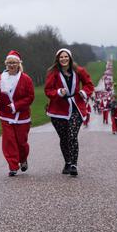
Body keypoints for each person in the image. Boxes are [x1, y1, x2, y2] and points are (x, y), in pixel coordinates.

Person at [44, 48, 94, 176]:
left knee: (72, 135)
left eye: (66, 56)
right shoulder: (53, 73)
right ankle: (67, 161)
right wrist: (58, 92)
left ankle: (73, 164)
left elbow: (89, 84)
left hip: (76, 107)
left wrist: (84, 92)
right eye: (61, 57)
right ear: (57, 59)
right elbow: (48, 90)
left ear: (70, 58)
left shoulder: (79, 71)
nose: (64, 59)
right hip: (58, 109)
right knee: (64, 138)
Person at [0, 51, 34, 177]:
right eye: (9, 63)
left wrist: (16, 105)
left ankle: (23, 159)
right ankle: (13, 166)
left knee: (21, 142)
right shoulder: (0, 78)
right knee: (9, 141)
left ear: (18, 64)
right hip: (5, 115)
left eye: (14, 62)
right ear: (6, 64)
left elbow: (30, 97)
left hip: (22, 116)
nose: (11, 65)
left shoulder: (26, 79)